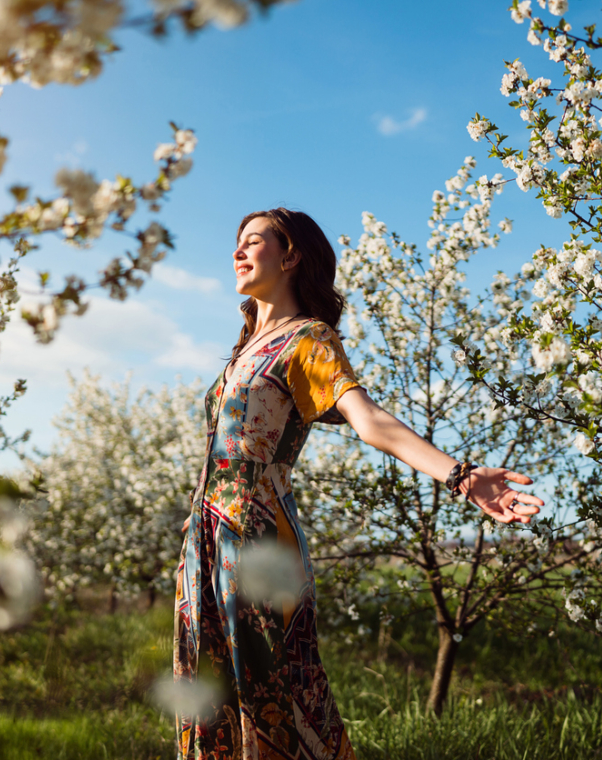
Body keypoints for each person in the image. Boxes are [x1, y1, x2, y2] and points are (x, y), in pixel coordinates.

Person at [172, 208, 543, 759]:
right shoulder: (244, 348)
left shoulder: (308, 340)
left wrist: (461, 476)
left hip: (257, 544)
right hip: (206, 544)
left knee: (280, 700)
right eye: (237, 242)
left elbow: (370, 421)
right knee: (207, 698)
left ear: (292, 255)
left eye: (253, 241)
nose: (237, 251)